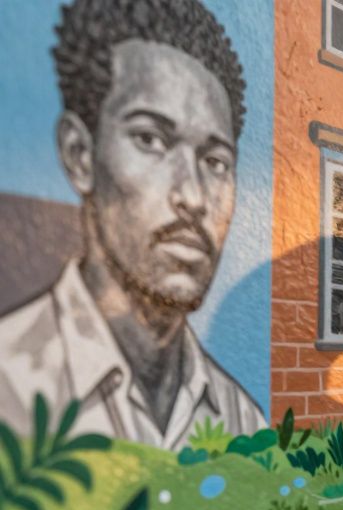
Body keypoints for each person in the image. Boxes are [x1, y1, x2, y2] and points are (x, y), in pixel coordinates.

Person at [0, 0, 264, 449]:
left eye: (215, 161)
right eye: (151, 139)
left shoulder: (244, 422)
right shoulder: (13, 382)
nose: (194, 197)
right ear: (80, 154)